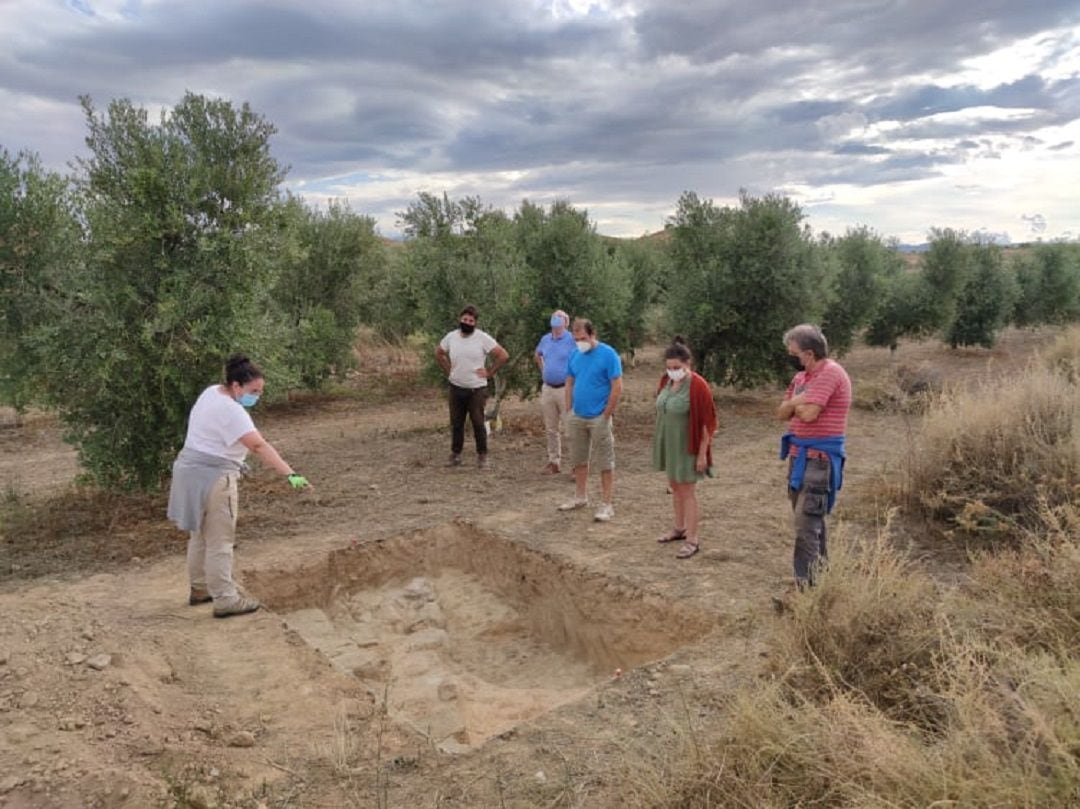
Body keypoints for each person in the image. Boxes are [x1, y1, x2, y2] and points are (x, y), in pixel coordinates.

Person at [167, 355, 310, 619]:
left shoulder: (211, 393)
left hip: (189, 472)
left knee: (199, 534)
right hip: (214, 477)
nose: (257, 396)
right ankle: (225, 599)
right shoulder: (233, 412)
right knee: (220, 540)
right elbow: (258, 446)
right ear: (236, 386)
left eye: (260, 391)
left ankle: (200, 588)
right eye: (253, 391)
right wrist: (290, 474)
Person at [776, 324, 851, 593]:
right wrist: (800, 400)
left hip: (818, 460)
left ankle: (804, 588)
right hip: (798, 458)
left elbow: (808, 415)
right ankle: (819, 579)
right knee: (810, 521)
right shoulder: (801, 380)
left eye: (794, 353)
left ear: (809, 353)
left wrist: (796, 404)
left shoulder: (830, 373)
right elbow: (782, 413)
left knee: (806, 525)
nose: (791, 357)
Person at [652, 337, 717, 559]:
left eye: (677, 368)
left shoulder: (699, 386)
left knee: (687, 492)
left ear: (688, 364)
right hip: (669, 444)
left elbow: (707, 423)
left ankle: (693, 539)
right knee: (675, 487)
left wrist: (701, 454)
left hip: (687, 446)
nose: (672, 371)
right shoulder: (666, 382)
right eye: (669, 368)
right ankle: (678, 528)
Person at [558, 318, 623, 522]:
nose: (580, 342)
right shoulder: (575, 354)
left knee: (605, 459)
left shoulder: (608, 354)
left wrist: (606, 414)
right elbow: (569, 383)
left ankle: (606, 504)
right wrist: (568, 411)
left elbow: (617, 386)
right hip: (578, 415)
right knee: (578, 458)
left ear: (592, 334)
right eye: (576, 339)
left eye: (583, 338)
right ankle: (580, 496)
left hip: (599, 417)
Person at [434, 305, 509, 469]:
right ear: (460, 319)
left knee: (478, 422)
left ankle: (482, 456)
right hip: (456, 387)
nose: (467, 322)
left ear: (475, 323)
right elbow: (438, 353)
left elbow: (503, 355)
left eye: (471, 320)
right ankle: (455, 454)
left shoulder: (482, 338)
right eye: (465, 319)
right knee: (456, 423)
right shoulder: (451, 337)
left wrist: (489, 372)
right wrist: (449, 370)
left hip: (476, 389)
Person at [534, 309, 574, 474]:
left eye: (560, 319)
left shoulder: (572, 339)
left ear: (566, 323)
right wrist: (543, 370)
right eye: (554, 318)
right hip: (548, 388)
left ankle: (576, 465)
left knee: (570, 427)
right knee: (551, 428)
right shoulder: (546, 339)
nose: (557, 323)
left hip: (565, 389)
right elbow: (538, 354)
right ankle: (553, 462)